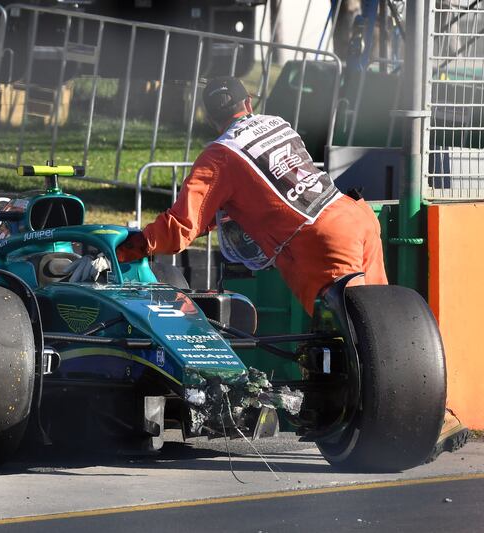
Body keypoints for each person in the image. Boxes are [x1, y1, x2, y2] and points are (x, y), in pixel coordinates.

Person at [69, 75, 467, 460]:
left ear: (210, 118)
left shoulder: (219, 155)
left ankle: (421, 421)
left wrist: (127, 249)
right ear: (249, 103)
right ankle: (432, 412)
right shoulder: (277, 123)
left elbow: (180, 228)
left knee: (367, 349)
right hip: (355, 215)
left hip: (320, 241)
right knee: (384, 328)